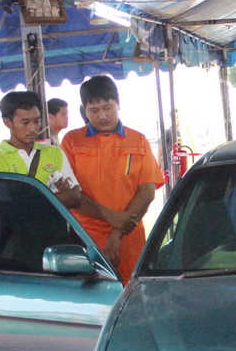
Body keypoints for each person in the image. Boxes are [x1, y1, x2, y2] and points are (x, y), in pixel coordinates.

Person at [0, 90, 91, 351]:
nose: (32, 127)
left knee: (64, 326)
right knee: (25, 333)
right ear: (7, 122)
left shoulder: (53, 152)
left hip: (57, 248)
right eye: (24, 121)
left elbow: (76, 195)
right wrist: (54, 198)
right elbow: (4, 209)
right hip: (14, 254)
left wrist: (37, 199)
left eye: (36, 121)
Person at [61, 75, 165, 284]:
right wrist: (110, 216)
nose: (102, 116)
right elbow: (71, 195)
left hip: (129, 235)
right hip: (86, 236)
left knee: (132, 290)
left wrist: (117, 233)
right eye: (94, 110)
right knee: (91, 293)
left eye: (107, 108)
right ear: (84, 111)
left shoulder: (138, 140)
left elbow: (147, 193)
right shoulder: (72, 141)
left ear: (118, 104)